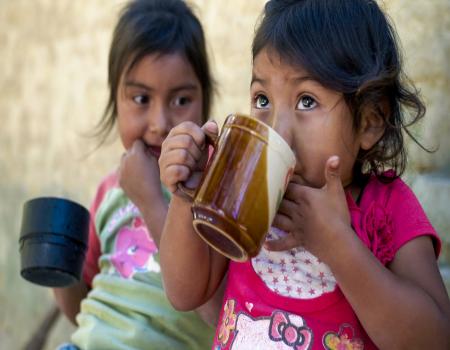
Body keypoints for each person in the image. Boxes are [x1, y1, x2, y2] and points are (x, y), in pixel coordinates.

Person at [157, 0, 450, 349]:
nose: (277, 129)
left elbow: (433, 338)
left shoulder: (386, 206)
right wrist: (186, 196)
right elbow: (185, 292)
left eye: (307, 101)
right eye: (263, 99)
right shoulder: (246, 190)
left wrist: (337, 244)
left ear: (370, 120)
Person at [52, 0, 220, 349]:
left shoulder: (216, 190)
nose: (159, 125)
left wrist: (151, 201)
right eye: (141, 98)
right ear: (116, 99)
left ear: (204, 99)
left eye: (180, 100)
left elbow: (218, 311)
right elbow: (86, 307)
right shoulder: (110, 190)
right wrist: (56, 269)